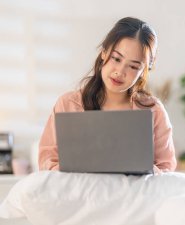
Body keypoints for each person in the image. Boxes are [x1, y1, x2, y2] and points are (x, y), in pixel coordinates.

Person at [38, 17, 177, 173]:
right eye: (116, 58)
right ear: (104, 52)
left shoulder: (154, 111)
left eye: (133, 66)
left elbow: (166, 169)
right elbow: (47, 161)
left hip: (134, 196)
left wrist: (138, 170)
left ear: (143, 71)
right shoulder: (68, 104)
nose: (120, 72)